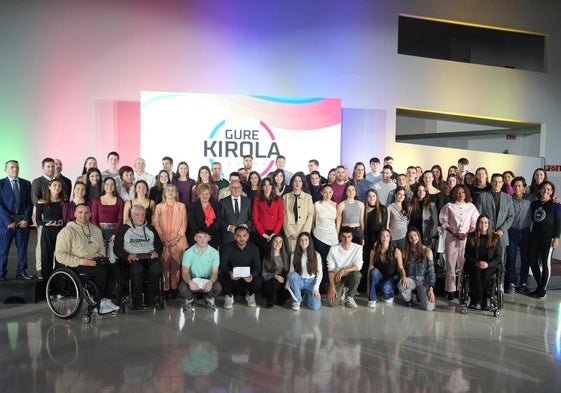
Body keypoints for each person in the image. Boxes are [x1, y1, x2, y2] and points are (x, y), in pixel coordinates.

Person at [54, 203, 120, 314]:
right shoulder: (66, 232)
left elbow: (101, 248)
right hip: (76, 263)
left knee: (115, 268)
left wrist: (100, 255)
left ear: (90, 214)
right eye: (80, 212)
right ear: (75, 214)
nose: (83, 215)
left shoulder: (96, 230)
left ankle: (106, 299)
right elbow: (60, 256)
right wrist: (83, 261)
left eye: (86, 213)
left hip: (94, 260)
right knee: (101, 272)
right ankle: (98, 301)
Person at [114, 205, 163, 309]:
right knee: (137, 269)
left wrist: (157, 252)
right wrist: (127, 255)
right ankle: (137, 300)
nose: (140, 217)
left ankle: (150, 297)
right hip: (133, 257)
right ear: (132, 215)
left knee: (157, 268)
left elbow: (159, 244)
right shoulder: (125, 228)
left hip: (149, 256)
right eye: (137, 215)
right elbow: (117, 248)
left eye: (142, 215)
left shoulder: (150, 228)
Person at [439, 184, 479, 300]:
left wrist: (466, 234)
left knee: (463, 264)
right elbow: (444, 221)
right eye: (458, 192)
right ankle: (450, 290)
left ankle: (461, 289)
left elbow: (474, 224)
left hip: (465, 239)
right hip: (451, 238)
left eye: (463, 192)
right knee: (450, 265)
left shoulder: (471, 207)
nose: (460, 194)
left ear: (466, 193)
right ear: (454, 194)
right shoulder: (449, 206)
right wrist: (454, 233)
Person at [476, 173, 514, 287]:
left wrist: (502, 230)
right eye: (495, 181)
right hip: (485, 234)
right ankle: (484, 284)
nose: (497, 184)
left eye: (499, 182)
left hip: (502, 236)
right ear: (491, 182)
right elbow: (478, 214)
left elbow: (511, 216)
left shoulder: (508, 198)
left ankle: (498, 285)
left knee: (499, 261)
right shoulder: (483, 196)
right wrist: (488, 229)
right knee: (485, 259)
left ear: (502, 183)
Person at [527, 181, 561, 299]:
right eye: (544, 189)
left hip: (548, 238)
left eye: (549, 189)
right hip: (535, 237)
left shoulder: (556, 204)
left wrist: (557, 237)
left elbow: (559, 222)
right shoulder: (534, 204)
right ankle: (539, 286)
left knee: (546, 264)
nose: (546, 191)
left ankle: (542, 290)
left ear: (552, 192)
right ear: (540, 190)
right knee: (531, 261)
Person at [153, 184, 188, 299]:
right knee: (164, 266)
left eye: (173, 190)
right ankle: (165, 288)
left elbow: (184, 223)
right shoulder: (159, 207)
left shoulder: (181, 206)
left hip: (178, 241)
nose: (171, 192)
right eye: (168, 190)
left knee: (176, 266)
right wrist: (162, 239)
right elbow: (156, 223)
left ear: (176, 193)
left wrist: (176, 239)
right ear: (164, 193)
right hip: (163, 241)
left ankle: (174, 289)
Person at [0, 160, 33, 280]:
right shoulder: (1, 184)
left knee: (23, 248)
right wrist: (8, 221)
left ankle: (21, 272)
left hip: (22, 222)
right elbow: (0, 205)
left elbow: (30, 204)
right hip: (6, 223)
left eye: (17, 167)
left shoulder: (26, 184)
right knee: (3, 249)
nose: (15, 169)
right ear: (6, 170)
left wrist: (26, 219)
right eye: (12, 167)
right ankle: (1, 273)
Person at [463, 214, 501, 310]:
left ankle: (481, 301)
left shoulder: (495, 237)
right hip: (474, 263)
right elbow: (466, 254)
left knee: (485, 274)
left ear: (489, 224)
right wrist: (477, 262)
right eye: (481, 222)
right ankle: (475, 300)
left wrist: (488, 264)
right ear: (477, 224)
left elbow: (498, 257)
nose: (483, 225)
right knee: (476, 272)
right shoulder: (471, 236)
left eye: (485, 222)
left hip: (491, 265)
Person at [219, 226, 262, 309]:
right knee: (222, 276)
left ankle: (250, 295)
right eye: (239, 236)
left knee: (259, 280)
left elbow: (257, 267)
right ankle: (229, 296)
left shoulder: (254, 248)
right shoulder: (227, 247)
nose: (241, 238)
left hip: (247, 278)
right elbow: (222, 265)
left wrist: (251, 275)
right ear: (234, 236)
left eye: (244, 235)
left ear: (248, 236)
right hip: (233, 277)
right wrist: (230, 272)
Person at [178, 229, 222, 310]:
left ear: (208, 238)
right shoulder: (188, 252)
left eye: (205, 237)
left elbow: (215, 273)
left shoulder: (215, 253)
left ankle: (208, 298)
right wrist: (190, 282)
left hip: (207, 279)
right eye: (200, 237)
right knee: (182, 288)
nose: (202, 240)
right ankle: (190, 299)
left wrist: (211, 282)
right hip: (193, 278)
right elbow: (185, 272)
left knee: (218, 287)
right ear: (195, 238)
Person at [33, 179, 65, 281]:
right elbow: (37, 219)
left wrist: (61, 222)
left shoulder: (64, 202)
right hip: (47, 231)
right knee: (46, 255)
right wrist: (44, 223)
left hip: (60, 231)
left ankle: (59, 278)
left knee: (60, 255)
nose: (57, 187)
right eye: (55, 185)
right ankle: (47, 280)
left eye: (59, 186)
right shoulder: (41, 201)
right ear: (49, 187)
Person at [398, 228, 436, 310]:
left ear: (418, 236)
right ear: (408, 239)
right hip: (410, 279)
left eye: (415, 235)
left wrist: (431, 288)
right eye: (410, 236)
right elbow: (401, 267)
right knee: (401, 285)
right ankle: (409, 299)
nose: (413, 238)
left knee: (429, 308)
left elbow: (431, 271)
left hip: (422, 281)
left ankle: (420, 294)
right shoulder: (405, 252)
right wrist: (403, 277)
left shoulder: (427, 251)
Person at [506, 177, 533, 294]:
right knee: (511, 258)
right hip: (512, 231)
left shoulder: (531, 200)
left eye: (519, 186)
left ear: (524, 187)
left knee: (525, 258)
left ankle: (523, 283)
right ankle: (511, 282)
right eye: (515, 186)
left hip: (526, 232)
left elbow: (545, 201)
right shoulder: (508, 200)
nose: (517, 188)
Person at [31, 157, 56, 280]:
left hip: (56, 220)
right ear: (43, 168)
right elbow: (37, 202)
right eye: (48, 166)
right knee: (41, 246)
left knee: (55, 247)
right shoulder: (37, 182)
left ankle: (53, 270)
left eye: (53, 166)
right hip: (43, 218)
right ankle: (40, 269)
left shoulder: (58, 182)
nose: (51, 169)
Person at [326, 226, 363, 309]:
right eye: (344, 237)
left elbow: (358, 266)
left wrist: (344, 269)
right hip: (337, 277)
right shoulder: (333, 249)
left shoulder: (358, 248)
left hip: (350, 276)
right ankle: (343, 291)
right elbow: (330, 270)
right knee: (332, 304)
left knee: (357, 274)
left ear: (352, 237)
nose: (346, 240)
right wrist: (332, 287)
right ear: (340, 237)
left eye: (349, 237)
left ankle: (350, 296)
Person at [367, 229, 406, 307]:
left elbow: (401, 267)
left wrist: (404, 276)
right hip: (380, 277)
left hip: (392, 277)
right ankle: (372, 299)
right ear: (380, 238)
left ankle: (389, 294)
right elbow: (370, 267)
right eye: (383, 235)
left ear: (390, 238)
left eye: (387, 236)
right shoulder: (374, 251)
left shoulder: (396, 251)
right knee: (373, 271)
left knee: (386, 288)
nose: (385, 238)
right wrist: (368, 285)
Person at [286, 232, 322, 311]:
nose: (304, 242)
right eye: (301, 240)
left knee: (315, 306)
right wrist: (288, 281)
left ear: (310, 241)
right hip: (300, 281)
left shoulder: (316, 255)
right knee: (292, 275)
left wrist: (316, 288)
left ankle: (306, 296)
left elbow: (320, 274)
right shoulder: (294, 254)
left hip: (311, 282)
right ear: (298, 242)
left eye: (306, 240)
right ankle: (298, 300)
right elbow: (291, 271)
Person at [312, 184, 339, 290]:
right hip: (319, 236)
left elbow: (337, 222)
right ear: (321, 193)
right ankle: (321, 285)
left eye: (330, 192)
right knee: (321, 261)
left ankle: (331, 285)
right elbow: (313, 221)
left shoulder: (336, 205)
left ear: (332, 193)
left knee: (331, 262)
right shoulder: (317, 205)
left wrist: (336, 233)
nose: (327, 194)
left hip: (332, 236)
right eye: (325, 192)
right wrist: (314, 231)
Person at [252, 177, 284, 258]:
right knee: (263, 255)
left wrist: (274, 233)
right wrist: (263, 234)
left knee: (275, 255)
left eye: (269, 185)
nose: (267, 187)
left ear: (272, 187)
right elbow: (255, 218)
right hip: (262, 233)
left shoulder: (278, 199)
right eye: (265, 185)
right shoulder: (257, 199)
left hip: (275, 232)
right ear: (262, 187)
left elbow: (281, 218)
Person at [283, 172, 314, 253]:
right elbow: (283, 215)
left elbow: (310, 216)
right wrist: (290, 231)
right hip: (291, 231)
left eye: (300, 181)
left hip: (303, 229)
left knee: (304, 253)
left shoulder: (308, 197)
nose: (297, 183)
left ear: (302, 183)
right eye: (295, 181)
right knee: (292, 254)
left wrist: (305, 232)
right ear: (292, 183)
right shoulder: (285, 197)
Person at [188, 183, 222, 249]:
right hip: (197, 238)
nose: (205, 196)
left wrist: (208, 236)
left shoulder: (216, 205)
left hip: (212, 237)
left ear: (210, 195)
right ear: (199, 195)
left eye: (207, 194)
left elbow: (218, 221)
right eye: (202, 194)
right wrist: (203, 237)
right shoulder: (192, 206)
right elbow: (193, 224)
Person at [261, 234, 291, 308]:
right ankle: (269, 300)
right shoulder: (266, 257)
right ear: (272, 242)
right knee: (273, 282)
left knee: (281, 302)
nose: (278, 244)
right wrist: (275, 276)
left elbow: (289, 271)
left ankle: (279, 297)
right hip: (270, 280)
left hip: (283, 279)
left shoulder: (286, 256)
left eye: (280, 242)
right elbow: (264, 274)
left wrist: (287, 281)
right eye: (275, 241)